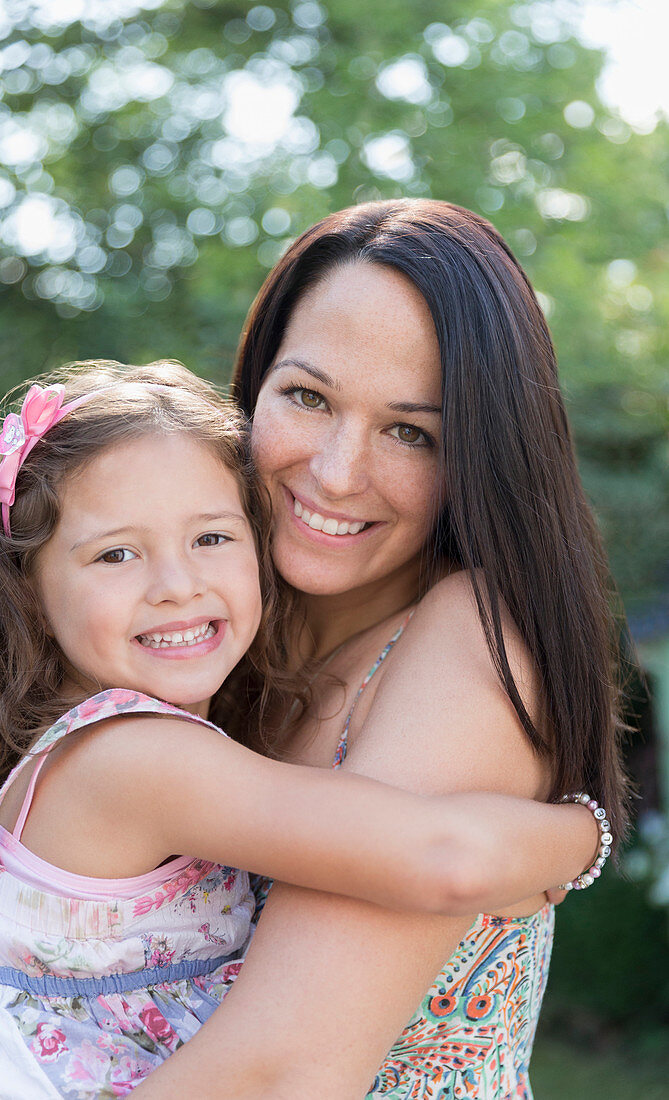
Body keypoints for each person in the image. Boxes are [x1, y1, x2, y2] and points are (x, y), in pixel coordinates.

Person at [0, 359, 605, 1099]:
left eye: (212, 539)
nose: (177, 584)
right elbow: (443, 860)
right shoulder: (134, 758)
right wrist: (580, 834)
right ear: (28, 594)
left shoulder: (105, 745)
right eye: (116, 553)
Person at [131, 200, 629, 1100]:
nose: (334, 472)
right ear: (253, 385)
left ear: (480, 458)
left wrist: (584, 838)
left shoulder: (467, 637)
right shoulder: (201, 629)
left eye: (411, 432)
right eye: (307, 397)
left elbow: (281, 1071)